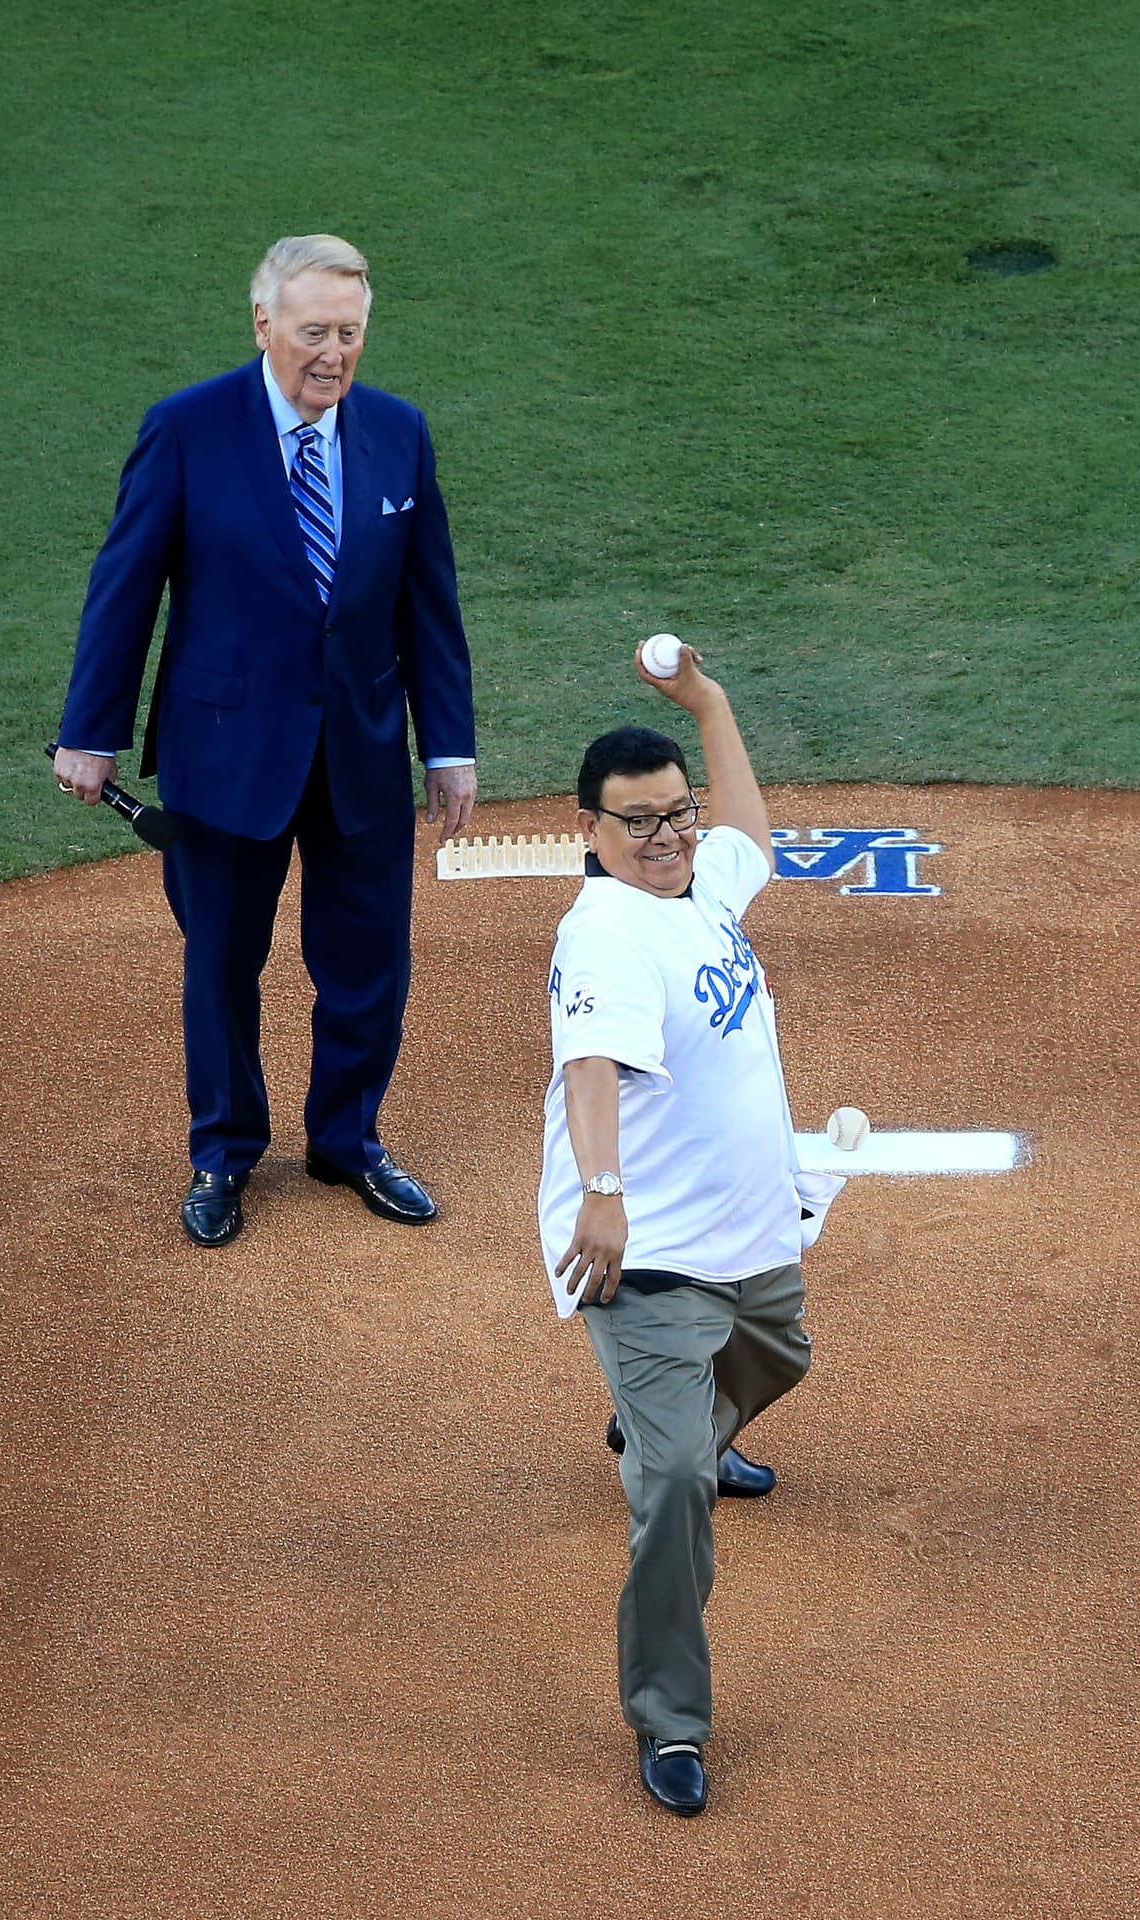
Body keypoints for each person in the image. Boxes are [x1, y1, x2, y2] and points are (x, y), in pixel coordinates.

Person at [53, 234, 476, 1247]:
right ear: (263, 327)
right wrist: (90, 733)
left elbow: (429, 604)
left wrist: (447, 744)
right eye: (313, 332)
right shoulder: (187, 430)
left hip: (362, 751)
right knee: (221, 966)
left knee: (369, 961)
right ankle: (223, 1153)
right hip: (225, 754)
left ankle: (346, 1140)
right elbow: (126, 590)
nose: (332, 353)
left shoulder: (396, 434)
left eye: (349, 333)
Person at [537, 644, 825, 1817]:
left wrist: (708, 702)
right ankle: (669, 1723)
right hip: (646, 1252)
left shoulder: (700, 881)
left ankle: (666, 1424)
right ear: (589, 829)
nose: (666, 836)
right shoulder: (604, 929)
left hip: (748, 1240)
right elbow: (591, 1059)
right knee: (672, 1488)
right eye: (638, 822)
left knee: (781, 1356)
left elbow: (745, 829)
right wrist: (601, 1187)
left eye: (675, 816)